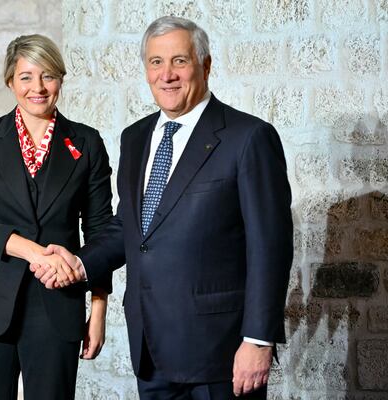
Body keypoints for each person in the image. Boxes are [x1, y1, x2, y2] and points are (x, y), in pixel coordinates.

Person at [32, 16, 293, 399]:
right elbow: (132, 228)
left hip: (220, 354)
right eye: (156, 62)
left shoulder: (248, 138)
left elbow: (270, 246)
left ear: (205, 65)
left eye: (179, 61)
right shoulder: (135, 137)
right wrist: (80, 262)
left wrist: (258, 340)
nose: (166, 74)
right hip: (151, 350)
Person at [0, 34, 114, 400]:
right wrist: (34, 252)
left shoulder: (86, 143)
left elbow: (102, 230)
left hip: (58, 306)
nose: (37, 88)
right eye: (26, 77)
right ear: (10, 81)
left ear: (60, 79)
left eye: (47, 76)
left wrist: (99, 309)